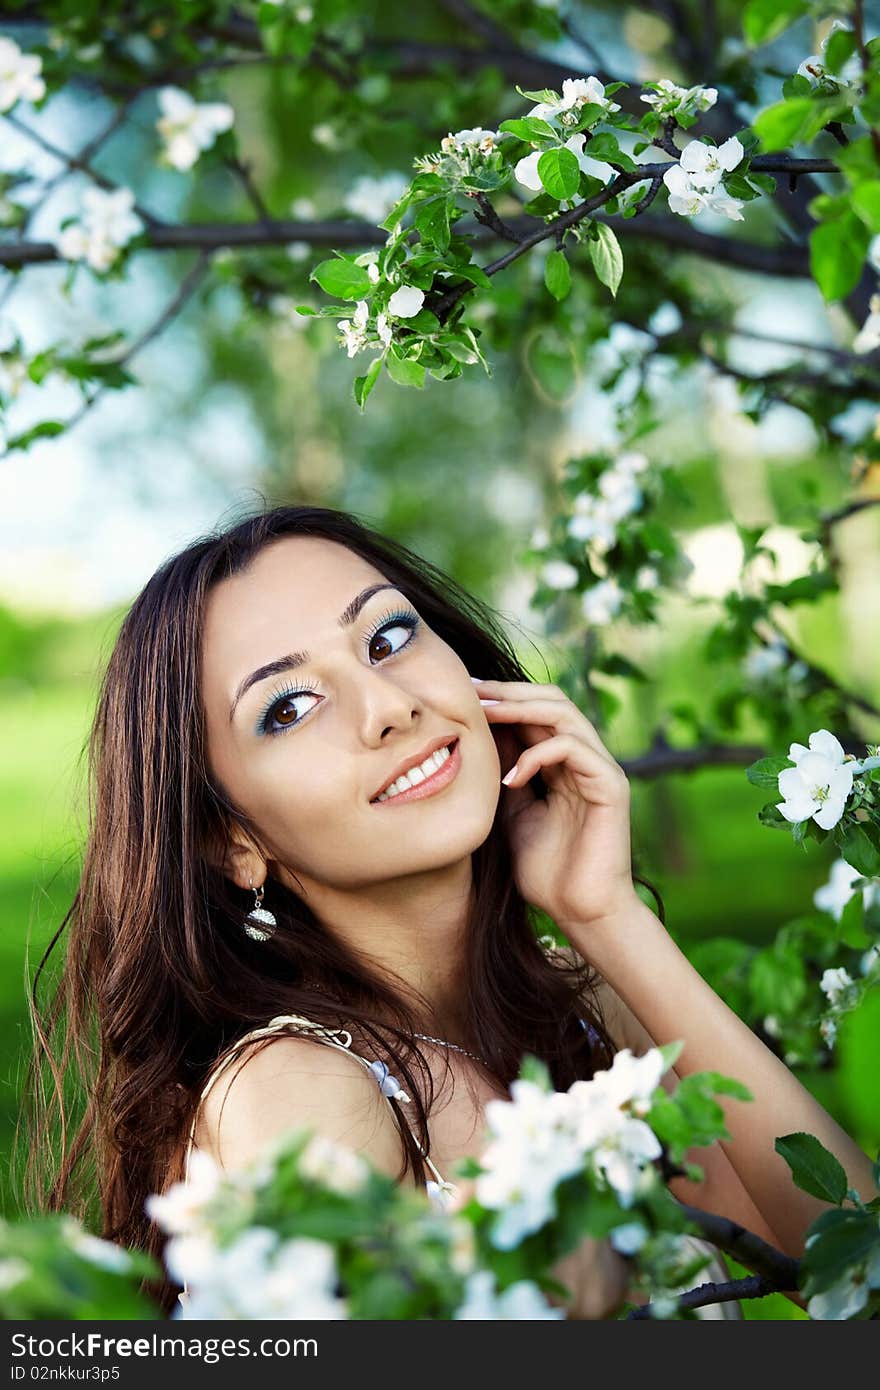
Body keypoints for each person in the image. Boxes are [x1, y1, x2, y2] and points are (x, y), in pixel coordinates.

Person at [20, 504, 874, 1320]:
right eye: (288, 707)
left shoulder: (580, 1002)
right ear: (230, 840)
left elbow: (853, 1274)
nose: (391, 707)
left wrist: (606, 917)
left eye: (387, 638)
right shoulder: (296, 1092)